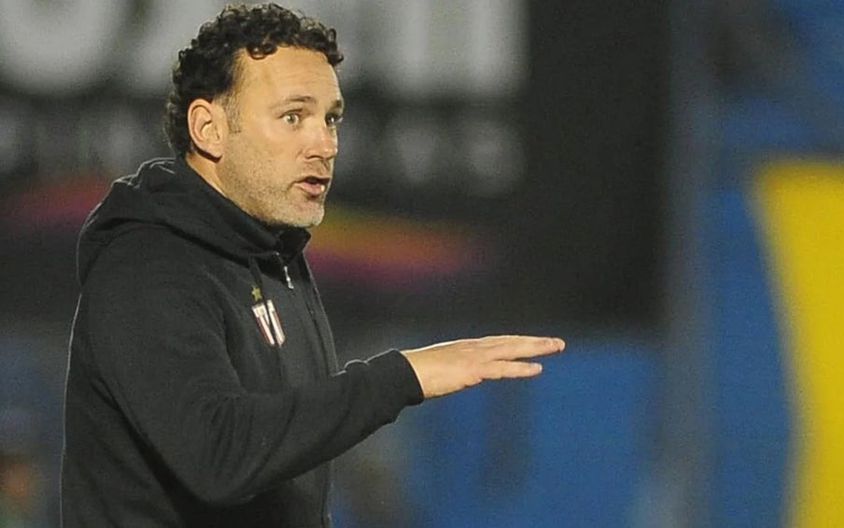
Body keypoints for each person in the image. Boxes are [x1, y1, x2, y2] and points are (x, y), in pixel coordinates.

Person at [61, 3, 565, 527]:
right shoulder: (147, 266)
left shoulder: (276, 259)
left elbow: (284, 491)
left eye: (331, 119)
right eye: (292, 117)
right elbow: (219, 455)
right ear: (209, 129)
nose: (324, 145)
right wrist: (402, 376)